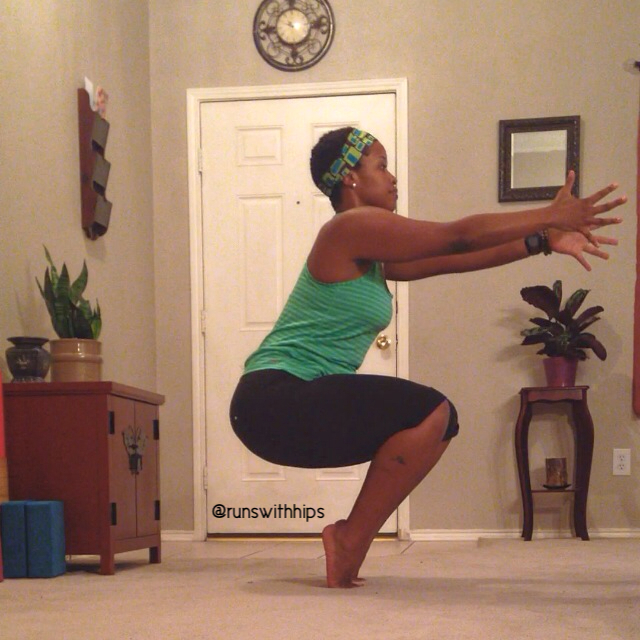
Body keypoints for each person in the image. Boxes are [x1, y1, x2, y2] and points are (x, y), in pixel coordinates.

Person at [229, 127, 626, 588]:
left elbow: (457, 258)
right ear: (350, 177)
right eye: (381, 166)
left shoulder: (372, 256)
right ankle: (350, 540)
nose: (392, 177)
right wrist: (550, 214)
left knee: (442, 421)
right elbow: (458, 237)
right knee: (428, 410)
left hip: (282, 410)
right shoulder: (347, 229)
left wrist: (541, 242)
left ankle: (348, 545)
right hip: (273, 398)